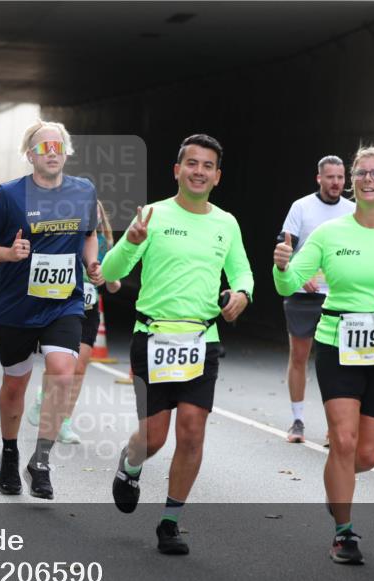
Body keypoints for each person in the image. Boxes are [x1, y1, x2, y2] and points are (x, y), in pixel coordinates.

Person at [273, 145, 374, 564]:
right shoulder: (330, 233)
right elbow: (288, 286)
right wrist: (282, 266)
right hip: (337, 343)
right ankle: (344, 533)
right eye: (360, 173)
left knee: (368, 454)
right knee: (342, 440)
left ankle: (336, 485)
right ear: (353, 182)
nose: (366, 179)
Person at [104, 134, 254, 555]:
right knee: (154, 438)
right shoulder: (151, 216)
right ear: (177, 170)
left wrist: (241, 293)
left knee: (191, 432)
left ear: (217, 176)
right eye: (192, 163)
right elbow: (110, 272)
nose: (199, 171)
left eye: (208, 165)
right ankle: (130, 465)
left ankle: (170, 522)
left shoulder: (226, 223)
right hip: (152, 338)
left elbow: (243, 272)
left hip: (202, 340)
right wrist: (130, 241)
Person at [0, 120, 101, 500]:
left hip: (64, 302)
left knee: (63, 373)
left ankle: (40, 460)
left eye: (58, 146)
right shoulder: (9, 195)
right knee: (16, 384)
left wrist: (91, 263)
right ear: (30, 155)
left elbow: (89, 233)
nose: (53, 152)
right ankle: (10, 455)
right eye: (44, 147)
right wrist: (8, 254)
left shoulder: (83, 191)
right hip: (17, 307)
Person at [28, 200, 121, 442]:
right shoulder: (70, 237)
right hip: (65, 304)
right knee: (61, 366)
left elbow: (115, 282)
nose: (95, 217)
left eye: (97, 213)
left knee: (79, 368)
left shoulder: (108, 245)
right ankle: (43, 396)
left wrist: (107, 280)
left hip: (90, 309)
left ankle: (65, 422)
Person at [278, 156, 356, 444]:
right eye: (330, 177)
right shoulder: (301, 207)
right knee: (299, 356)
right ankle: (297, 421)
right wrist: (300, 274)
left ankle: (334, 425)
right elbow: (285, 245)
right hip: (303, 295)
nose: (336, 182)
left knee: (339, 363)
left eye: (340, 177)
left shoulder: (353, 209)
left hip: (339, 297)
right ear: (319, 179)